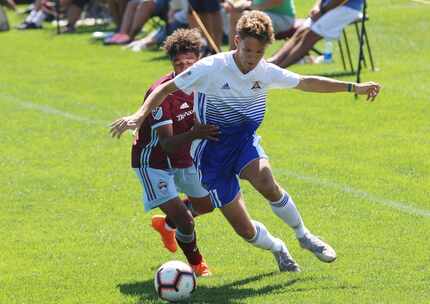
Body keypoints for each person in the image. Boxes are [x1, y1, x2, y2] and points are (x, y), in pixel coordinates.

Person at [110, 11, 381, 272]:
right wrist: (138, 115)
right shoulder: (210, 67)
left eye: (259, 52)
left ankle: (304, 235)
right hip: (210, 154)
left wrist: (353, 87)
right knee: (245, 230)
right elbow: (165, 88)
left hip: (242, 142)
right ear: (237, 42)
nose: (252, 58)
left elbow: (306, 82)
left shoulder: (266, 72)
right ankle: (278, 248)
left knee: (265, 180)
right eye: (248, 51)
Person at [122, 28, 217, 276]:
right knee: (187, 221)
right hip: (154, 161)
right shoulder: (163, 93)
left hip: (183, 156)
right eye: (179, 63)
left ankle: (166, 224)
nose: (185, 68)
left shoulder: (204, 83)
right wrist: (197, 133)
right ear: (171, 63)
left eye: (190, 62)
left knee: (207, 205)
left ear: (200, 59)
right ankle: (197, 264)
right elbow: (167, 144)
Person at [268, 0, 363, 67]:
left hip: (347, 8)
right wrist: (317, 7)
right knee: (300, 32)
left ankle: (279, 68)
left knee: (310, 36)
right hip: (327, 6)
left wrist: (322, 10)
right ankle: (273, 61)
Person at [224, 0, 296, 50]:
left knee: (248, 19)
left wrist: (251, 7)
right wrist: (234, 6)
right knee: (234, 15)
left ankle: (245, 56)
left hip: (283, 18)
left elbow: (276, 1)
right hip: (264, 12)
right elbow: (249, 2)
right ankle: (234, 54)